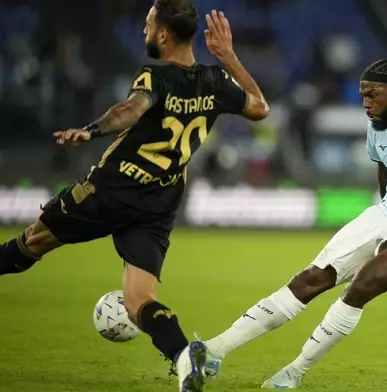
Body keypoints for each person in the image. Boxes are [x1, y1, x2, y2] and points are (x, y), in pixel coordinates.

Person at [0, 1, 269, 391]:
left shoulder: (155, 76)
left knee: (29, 245)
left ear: (162, 34)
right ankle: (183, 360)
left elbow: (130, 109)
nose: (143, 31)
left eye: (147, 24)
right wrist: (228, 58)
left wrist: (91, 130)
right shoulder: (215, 81)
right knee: (139, 301)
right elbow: (260, 107)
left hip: (112, 189)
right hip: (159, 201)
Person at [202, 58, 387, 389]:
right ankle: (214, 349)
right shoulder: (375, 129)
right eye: (363, 95)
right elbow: (383, 167)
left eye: (372, 95)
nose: (365, 104)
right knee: (311, 279)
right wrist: (384, 213)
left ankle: (293, 372)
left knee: (366, 281)